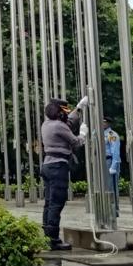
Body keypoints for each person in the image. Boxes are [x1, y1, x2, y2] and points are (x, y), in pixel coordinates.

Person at [40, 98, 88, 251]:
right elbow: (76, 143)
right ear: (59, 113)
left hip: (48, 165)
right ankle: (53, 239)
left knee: (49, 202)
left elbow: (69, 122)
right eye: (63, 112)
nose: (65, 115)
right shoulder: (59, 126)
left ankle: (47, 235)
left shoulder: (47, 124)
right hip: (57, 167)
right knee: (57, 203)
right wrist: (83, 134)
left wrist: (79, 108)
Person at [103, 116, 121, 216]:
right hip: (101, 162)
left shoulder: (111, 135)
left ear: (108, 123)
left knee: (111, 187)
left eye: (104, 122)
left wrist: (114, 166)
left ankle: (114, 210)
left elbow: (115, 151)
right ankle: (106, 208)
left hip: (109, 161)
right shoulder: (98, 133)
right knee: (104, 187)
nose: (102, 124)